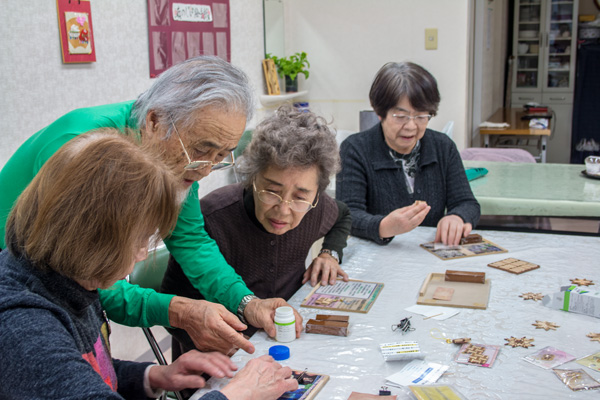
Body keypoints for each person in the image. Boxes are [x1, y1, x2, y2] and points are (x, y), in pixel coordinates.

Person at [0, 55, 300, 356]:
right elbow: (86, 279)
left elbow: (190, 240)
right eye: (202, 150)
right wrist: (179, 310)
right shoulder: (85, 150)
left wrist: (246, 303)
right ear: (155, 121)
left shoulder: (178, 158)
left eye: (222, 155)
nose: (206, 170)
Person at [0, 131, 298, 400]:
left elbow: (86, 369)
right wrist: (236, 395)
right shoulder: (23, 329)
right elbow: (50, 368)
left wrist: (153, 377)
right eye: (140, 240)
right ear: (92, 237)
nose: (142, 255)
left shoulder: (66, 275)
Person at [162, 106, 351, 355]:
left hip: (286, 341)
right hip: (217, 354)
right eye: (271, 191)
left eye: (299, 197)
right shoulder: (211, 218)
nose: (284, 210)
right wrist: (217, 343)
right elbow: (173, 309)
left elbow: (343, 215)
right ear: (252, 178)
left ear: (316, 195)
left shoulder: (315, 208)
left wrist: (330, 253)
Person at [336, 62, 480, 246]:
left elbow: (467, 202)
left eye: (421, 116)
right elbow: (348, 214)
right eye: (401, 117)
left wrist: (457, 217)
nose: (411, 126)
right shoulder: (356, 149)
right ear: (380, 113)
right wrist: (383, 226)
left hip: (430, 252)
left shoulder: (443, 147)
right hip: (378, 254)